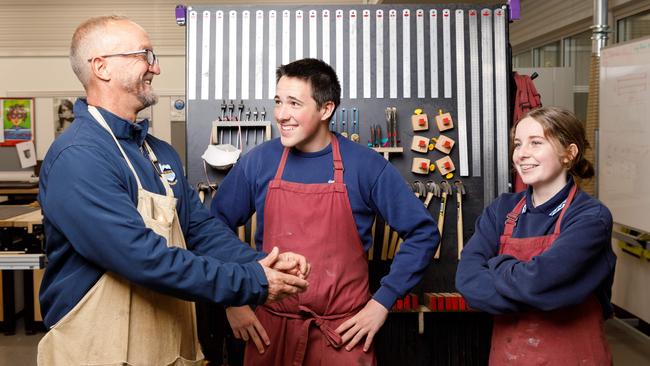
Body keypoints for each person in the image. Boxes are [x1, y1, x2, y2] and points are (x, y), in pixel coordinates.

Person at [37, 16, 310, 366]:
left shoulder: (159, 152)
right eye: (145, 55)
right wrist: (252, 280)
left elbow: (199, 230)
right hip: (97, 351)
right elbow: (141, 257)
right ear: (101, 67)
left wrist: (262, 262)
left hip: (167, 347)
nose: (157, 68)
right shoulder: (79, 157)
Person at [210, 58, 438, 365]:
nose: (281, 115)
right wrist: (231, 299)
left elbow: (423, 233)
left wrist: (381, 303)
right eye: (278, 102)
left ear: (326, 109)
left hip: (343, 334)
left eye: (294, 103)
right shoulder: (259, 162)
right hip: (270, 330)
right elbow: (212, 227)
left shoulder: (365, 165)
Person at [455, 106, 616, 365]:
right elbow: (467, 280)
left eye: (536, 143)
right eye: (518, 144)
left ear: (569, 153)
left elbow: (538, 282)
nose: (522, 154)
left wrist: (497, 265)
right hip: (508, 357)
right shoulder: (502, 210)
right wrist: (535, 292)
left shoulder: (590, 218)